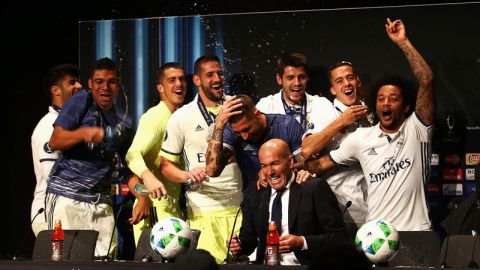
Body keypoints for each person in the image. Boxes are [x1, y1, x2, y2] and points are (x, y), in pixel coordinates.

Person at [298, 18, 434, 231]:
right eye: (381, 99)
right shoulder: (360, 137)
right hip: (375, 234)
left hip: (416, 231)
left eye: (393, 99)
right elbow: (320, 163)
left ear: (407, 106)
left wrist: (403, 42)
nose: (386, 103)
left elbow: (426, 79)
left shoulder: (417, 130)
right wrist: (293, 168)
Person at [159, 55, 243, 263]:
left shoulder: (237, 107)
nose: (217, 79)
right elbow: (165, 166)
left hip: (240, 208)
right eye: (210, 75)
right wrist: (187, 175)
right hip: (203, 210)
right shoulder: (181, 117)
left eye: (220, 73)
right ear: (197, 80)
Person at [45, 57, 131, 257]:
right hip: (69, 198)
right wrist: (84, 134)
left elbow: (126, 165)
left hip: (101, 203)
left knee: (105, 261)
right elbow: (55, 141)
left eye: (111, 82)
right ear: (91, 84)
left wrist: (142, 193)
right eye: (99, 81)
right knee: (67, 261)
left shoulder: (119, 118)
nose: (105, 87)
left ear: (118, 85)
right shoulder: (82, 99)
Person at [227, 139, 346, 265]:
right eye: (264, 166)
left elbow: (340, 238)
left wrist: (302, 242)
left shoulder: (313, 188)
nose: (270, 172)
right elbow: (249, 239)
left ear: (290, 162)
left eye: (275, 163)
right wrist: (238, 245)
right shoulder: (255, 193)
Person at [301, 61, 370, 229]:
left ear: (358, 82)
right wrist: (342, 121)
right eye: (339, 81)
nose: (346, 83)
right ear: (332, 90)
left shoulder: (373, 114)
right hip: (341, 208)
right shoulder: (326, 111)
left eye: (350, 78)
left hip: (375, 207)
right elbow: (307, 149)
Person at [125, 62, 187, 245]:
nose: (179, 84)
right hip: (154, 214)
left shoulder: (179, 118)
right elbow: (132, 157)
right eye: (172, 80)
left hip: (173, 211)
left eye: (182, 79)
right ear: (160, 87)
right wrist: (144, 195)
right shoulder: (156, 116)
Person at [205, 94, 305, 188]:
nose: (244, 137)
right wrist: (219, 126)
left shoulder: (287, 126)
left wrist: (271, 172)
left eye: (246, 129)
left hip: (290, 195)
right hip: (255, 198)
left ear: (257, 114)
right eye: (238, 132)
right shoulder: (231, 131)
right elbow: (211, 170)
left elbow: (305, 165)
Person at [31, 64, 82, 236]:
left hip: (75, 210)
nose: (79, 86)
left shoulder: (75, 123)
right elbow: (53, 176)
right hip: (52, 213)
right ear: (56, 90)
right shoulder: (48, 126)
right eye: (72, 82)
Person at [256, 52, 328, 130]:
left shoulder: (322, 105)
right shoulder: (266, 107)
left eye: (302, 77)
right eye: (290, 78)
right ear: (279, 79)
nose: (297, 83)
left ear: (307, 78)